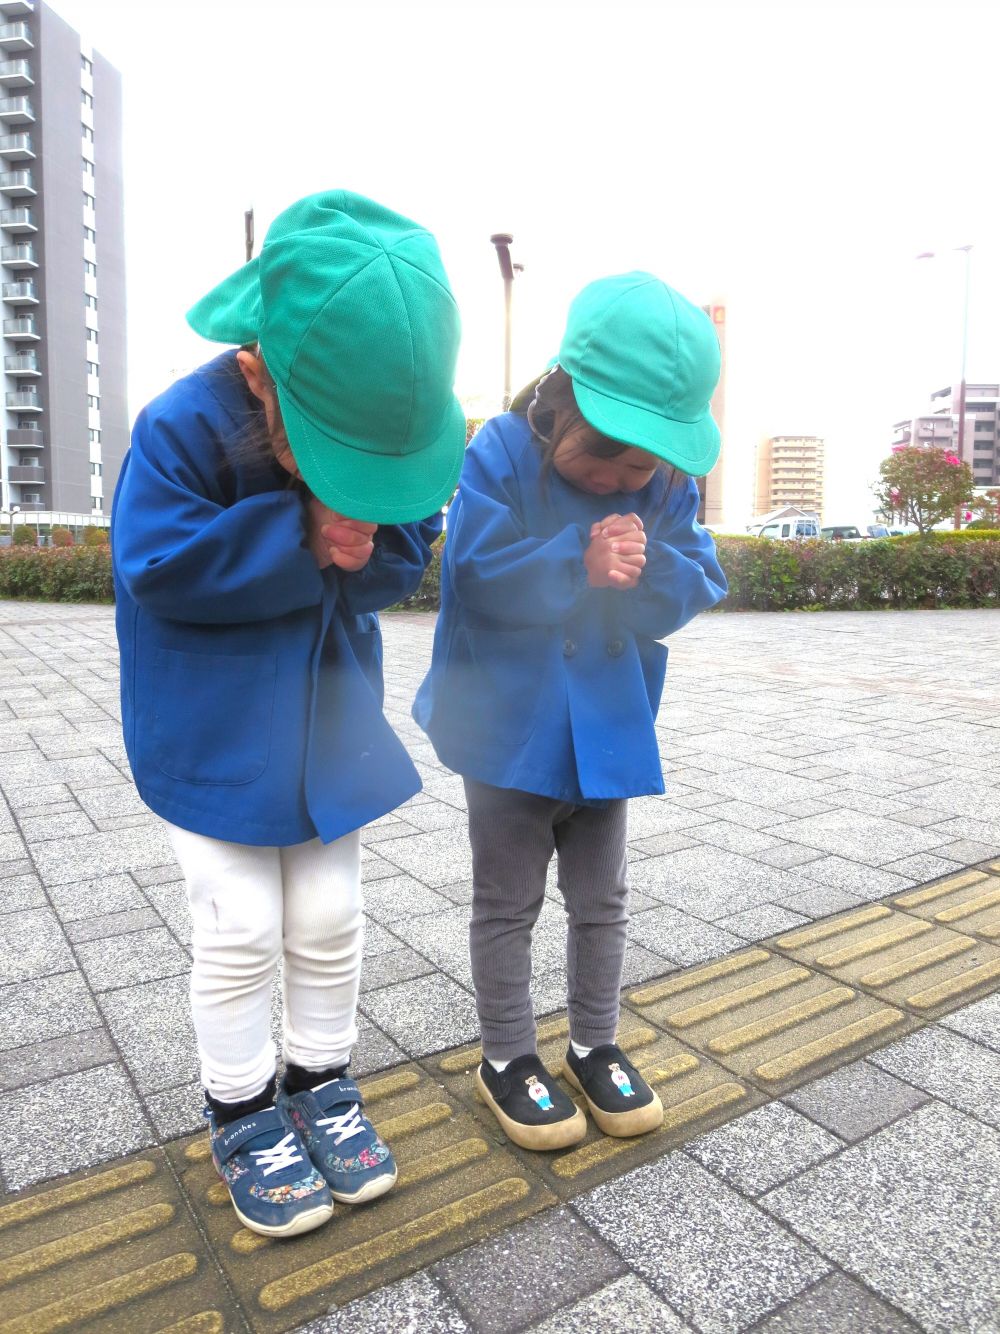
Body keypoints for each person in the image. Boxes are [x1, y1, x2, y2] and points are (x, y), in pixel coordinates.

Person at [111, 191, 465, 1236]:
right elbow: (155, 564)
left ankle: (321, 1082)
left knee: (328, 914)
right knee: (238, 924)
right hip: (210, 727)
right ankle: (239, 1108)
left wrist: (364, 549)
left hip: (322, 722)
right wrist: (299, 533)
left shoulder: (390, 422)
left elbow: (404, 546)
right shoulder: (182, 422)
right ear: (265, 367)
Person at [414, 272, 727, 1150]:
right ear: (559, 407)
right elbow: (470, 569)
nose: (623, 479)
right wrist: (574, 560)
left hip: (607, 721)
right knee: (506, 900)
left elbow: (695, 574)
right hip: (507, 725)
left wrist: (646, 570)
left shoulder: (662, 488)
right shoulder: (502, 451)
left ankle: (594, 1041)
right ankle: (507, 1056)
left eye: (643, 466)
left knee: (603, 897)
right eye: (605, 455)